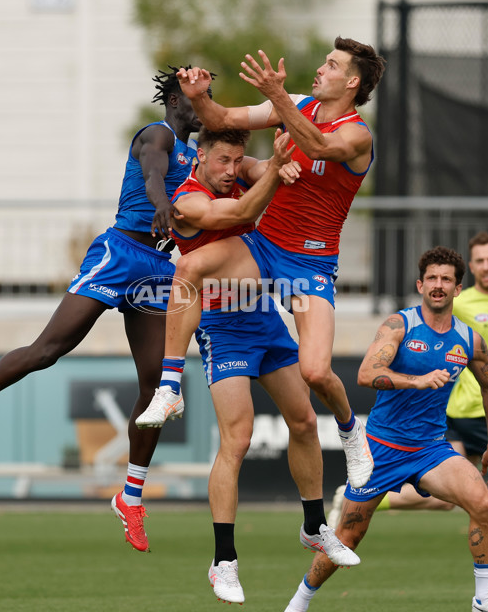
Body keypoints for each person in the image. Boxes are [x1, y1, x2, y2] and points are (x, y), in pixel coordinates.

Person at [0, 66, 204, 553]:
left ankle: (131, 494)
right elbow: (154, 173)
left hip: (158, 267)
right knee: (48, 349)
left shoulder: (198, 153)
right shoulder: (157, 133)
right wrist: (161, 204)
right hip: (120, 254)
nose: (206, 105)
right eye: (198, 98)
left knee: (157, 383)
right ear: (177, 101)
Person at [136, 37, 386, 491]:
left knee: (316, 372)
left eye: (332, 65)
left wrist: (277, 98)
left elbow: (319, 147)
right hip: (264, 247)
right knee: (188, 269)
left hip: (310, 263)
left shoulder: (357, 133)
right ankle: (169, 388)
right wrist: (199, 96)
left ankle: (352, 433)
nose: (321, 70)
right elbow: (222, 120)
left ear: (352, 82)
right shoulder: (296, 104)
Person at [273, 245, 488, 612]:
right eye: (432, 279)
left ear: (458, 289)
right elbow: (367, 374)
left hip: (431, 449)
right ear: (421, 285)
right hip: (380, 449)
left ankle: (484, 598)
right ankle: (296, 607)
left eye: (447, 280)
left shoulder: (469, 340)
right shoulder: (398, 326)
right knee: (348, 537)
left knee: (485, 503)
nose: (438, 286)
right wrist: (416, 380)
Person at [169, 125, 359, 604]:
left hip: (265, 320)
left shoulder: (240, 175)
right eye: (222, 161)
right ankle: (224, 561)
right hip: (221, 326)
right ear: (200, 157)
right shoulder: (187, 198)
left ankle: (315, 525)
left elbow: (265, 174)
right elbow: (241, 210)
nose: (231, 170)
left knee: (303, 420)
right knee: (238, 439)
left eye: (237, 160)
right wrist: (275, 169)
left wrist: (283, 164)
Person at [328, 231, 488, 525]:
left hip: (483, 411)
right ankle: (362, 498)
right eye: (480, 260)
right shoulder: (457, 300)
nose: (486, 266)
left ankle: (364, 498)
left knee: (447, 501)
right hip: (456, 410)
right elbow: (376, 365)